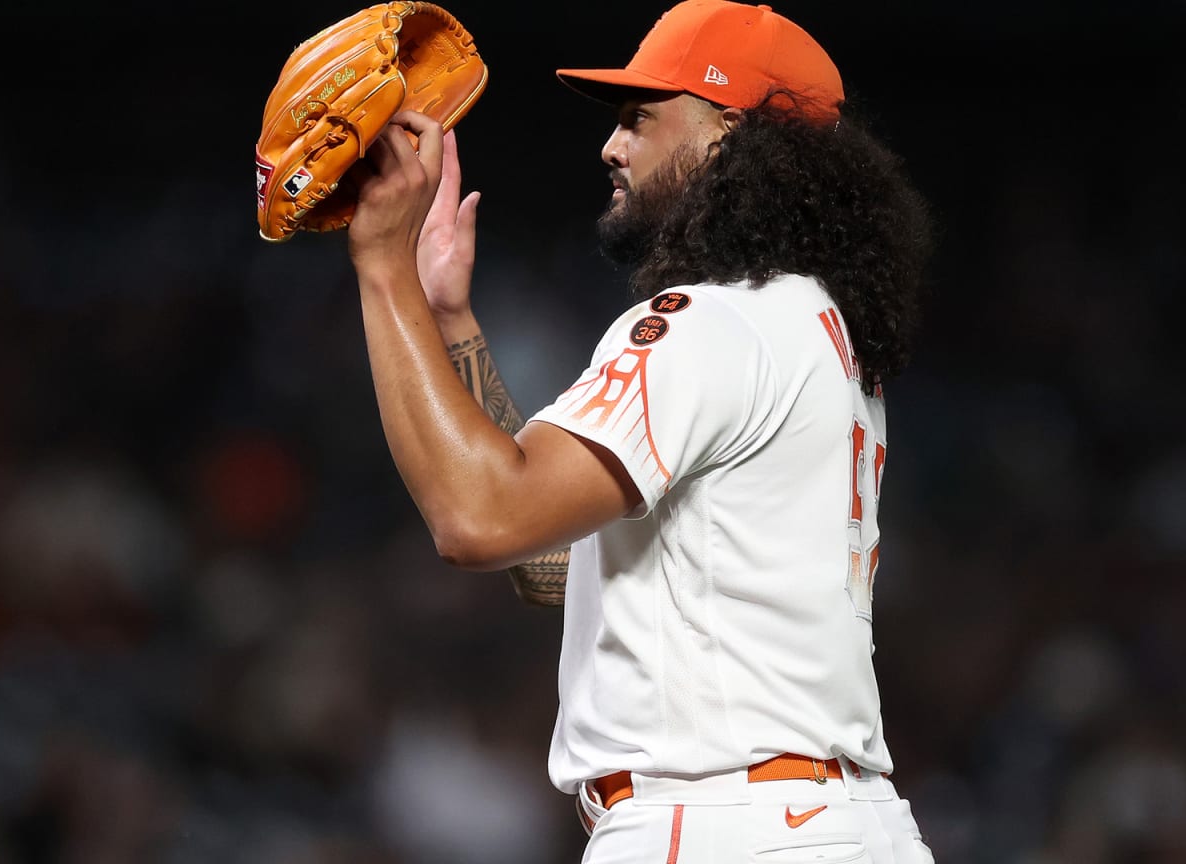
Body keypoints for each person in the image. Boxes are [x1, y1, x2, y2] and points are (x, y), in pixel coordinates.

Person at [343, 0, 936, 859]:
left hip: (724, 824)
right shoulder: (808, 330)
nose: (611, 147)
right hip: (823, 822)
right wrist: (446, 322)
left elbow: (479, 520)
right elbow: (547, 562)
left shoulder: (711, 322)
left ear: (729, 135)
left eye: (639, 118)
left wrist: (380, 261)